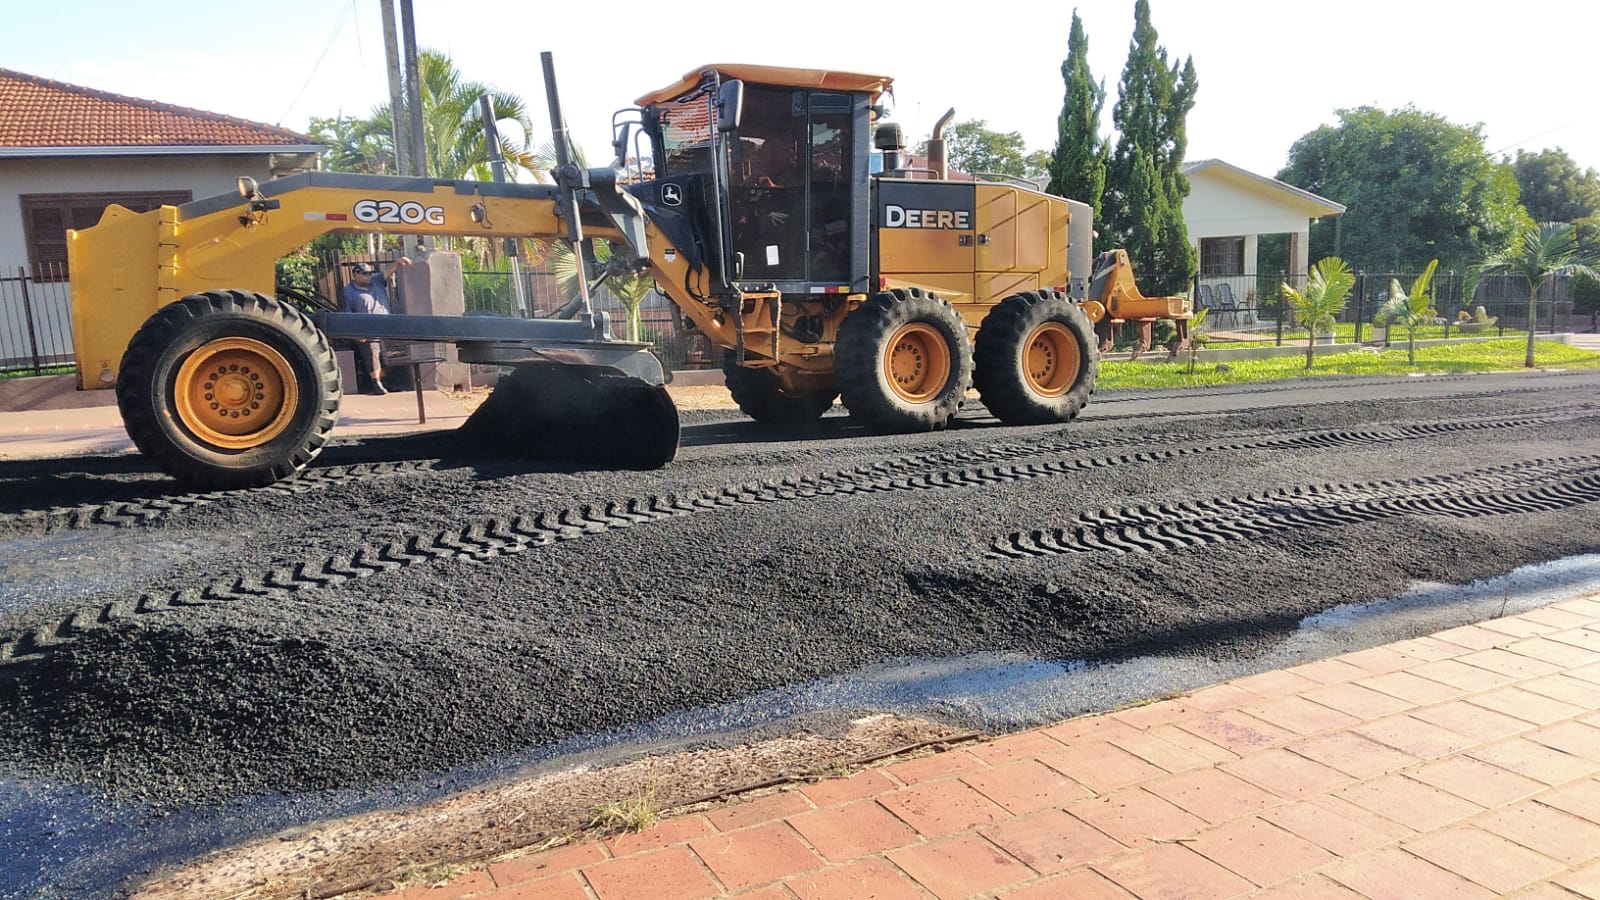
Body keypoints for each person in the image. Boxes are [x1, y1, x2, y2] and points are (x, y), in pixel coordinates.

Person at [341, 257, 411, 394]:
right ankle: (376, 383)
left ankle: (386, 382)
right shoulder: (348, 291)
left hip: (385, 326)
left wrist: (397, 262)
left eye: (369, 273)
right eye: (364, 273)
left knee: (387, 356)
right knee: (372, 355)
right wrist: (355, 333)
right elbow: (348, 313)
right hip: (366, 329)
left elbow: (388, 271)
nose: (368, 276)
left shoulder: (376, 281)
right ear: (355, 275)